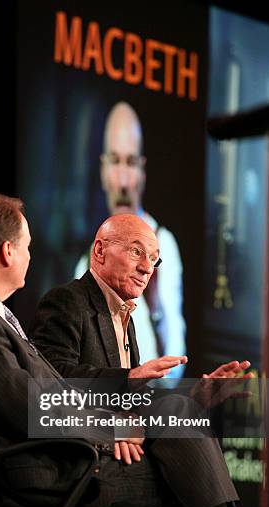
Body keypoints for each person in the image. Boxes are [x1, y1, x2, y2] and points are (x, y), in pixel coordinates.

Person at [31, 213, 262, 507]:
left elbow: (133, 406)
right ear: (100, 251)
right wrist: (130, 382)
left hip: (128, 453)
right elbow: (55, 386)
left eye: (154, 259)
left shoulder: (127, 317)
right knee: (186, 483)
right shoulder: (67, 302)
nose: (146, 267)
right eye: (137, 252)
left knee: (181, 440)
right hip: (86, 463)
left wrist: (199, 399)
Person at [74, 101, 186, 379]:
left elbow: (175, 369)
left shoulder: (165, 245)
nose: (123, 180)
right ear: (102, 170)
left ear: (142, 172)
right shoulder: (84, 262)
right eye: (115, 161)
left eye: (131, 162)